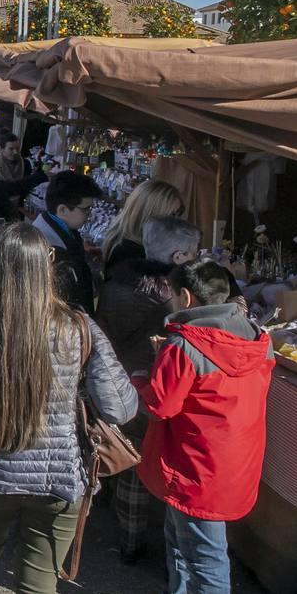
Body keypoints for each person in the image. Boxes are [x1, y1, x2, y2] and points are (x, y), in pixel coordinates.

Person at [0, 223, 137, 594]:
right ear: (47, 265)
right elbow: (119, 407)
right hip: (56, 475)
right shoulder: (78, 328)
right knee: (37, 582)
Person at [133, 258, 273, 594]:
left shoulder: (184, 345)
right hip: (237, 460)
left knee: (206, 559)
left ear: (186, 297)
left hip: (194, 466)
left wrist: (139, 378)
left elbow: (160, 405)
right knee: (186, 542)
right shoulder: (258, 339)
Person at [95, 216, 199, 563]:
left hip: (112, 370)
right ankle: (133, 540)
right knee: (139, 459)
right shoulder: (170, 294)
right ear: (181, 256)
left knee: (116, 442)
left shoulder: (118, 277)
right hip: (146, 378)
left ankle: (116, 519)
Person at [32, 170, 103, 314]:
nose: (89, 216)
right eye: (86, 210)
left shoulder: (65, 230)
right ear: (63, 209)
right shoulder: (48, 245)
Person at [100, 179, 186, 278]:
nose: (177, 222)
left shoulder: (128, 242)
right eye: (171, 215)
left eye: (177, 215)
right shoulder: (131, 252)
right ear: (150, 214)